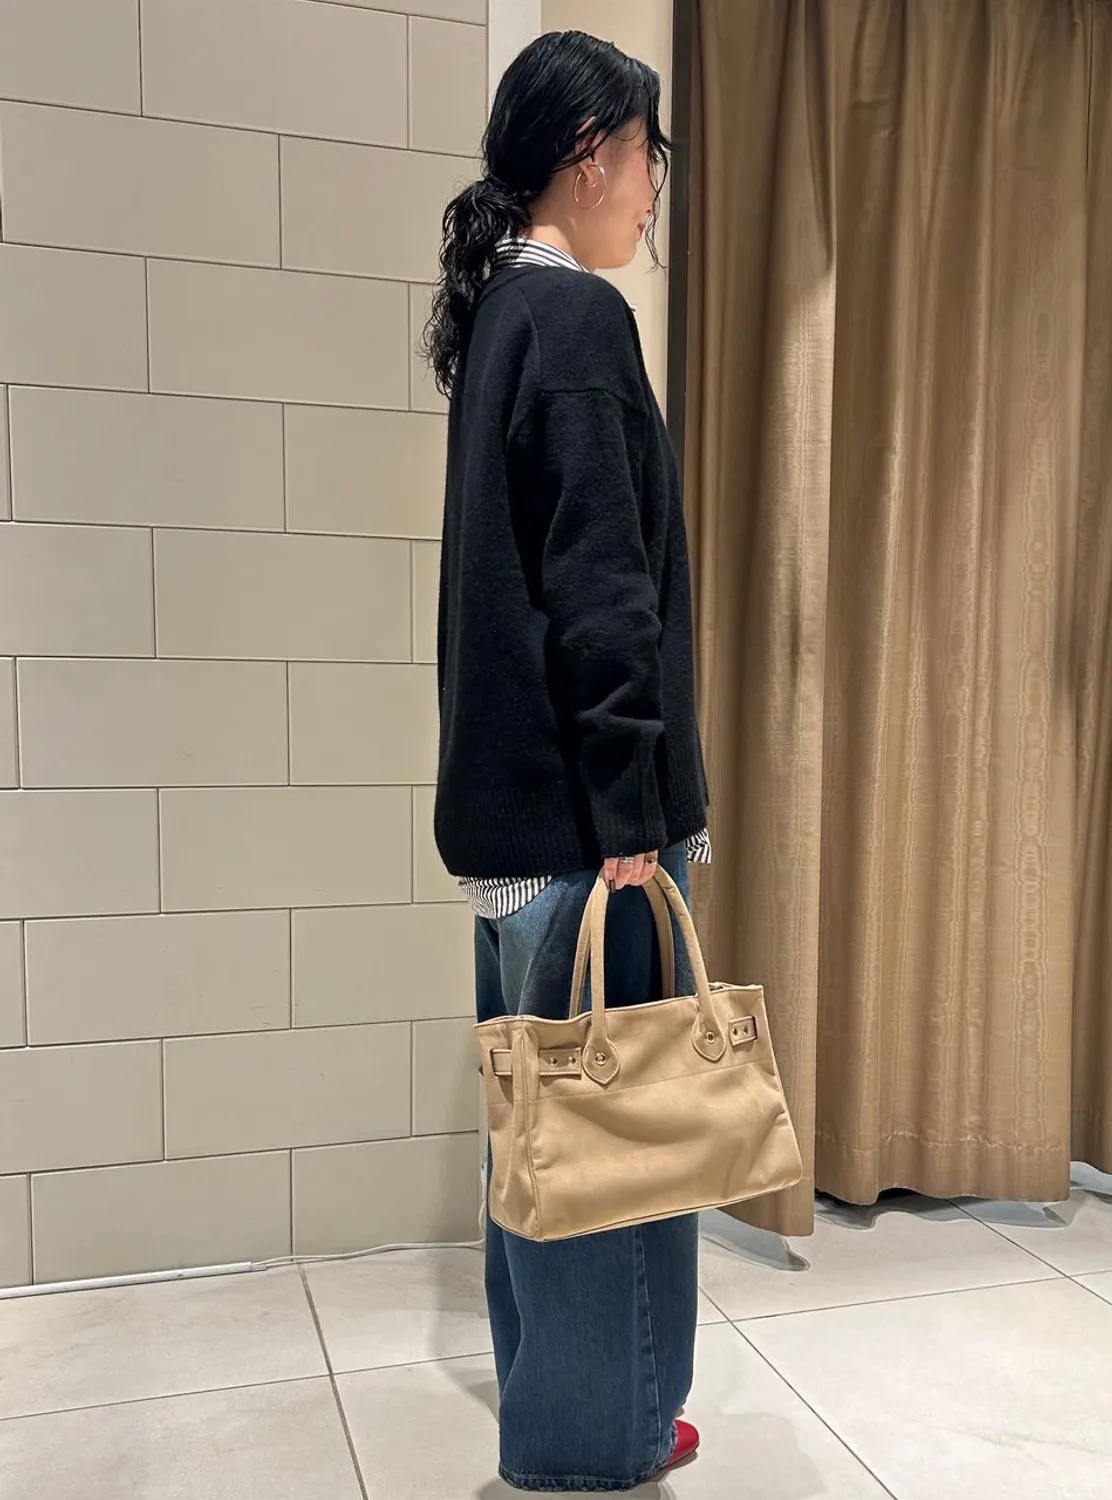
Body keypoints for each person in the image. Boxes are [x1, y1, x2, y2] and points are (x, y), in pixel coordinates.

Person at [425, 30, 711, 1494]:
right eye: (649, 157)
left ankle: (558, 1411)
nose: (653, 189)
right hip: (588, 834)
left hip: (509, 848)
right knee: (622, 1157)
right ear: (591, 154)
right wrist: (633, 818)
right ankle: (605, 1439)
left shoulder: (502, 318)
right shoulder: (580, 320)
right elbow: (604, 592)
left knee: (541, 1146)